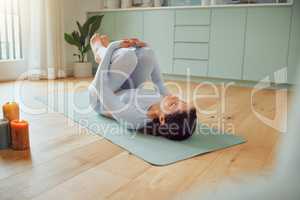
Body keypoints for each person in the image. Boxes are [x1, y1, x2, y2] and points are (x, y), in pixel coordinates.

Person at [88, 34, 197, 141]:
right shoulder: (165, 102)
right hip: (124, 90)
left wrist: (112, 47)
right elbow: (158, 81)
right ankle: (110, 54)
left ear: (162, 119)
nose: (173, 97)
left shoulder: (133, 118)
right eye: (181, 100)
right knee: (147, 54)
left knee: (127, 56)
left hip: (99, 96)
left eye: (174, 104)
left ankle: (100, 51)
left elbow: (100, 86)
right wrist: (144, 47)